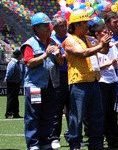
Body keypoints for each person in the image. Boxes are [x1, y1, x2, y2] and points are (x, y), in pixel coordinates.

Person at [63, 9, 112, 150]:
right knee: (77, 117)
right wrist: (101, 44)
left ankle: (96, 144)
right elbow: (82, 53)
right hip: (78, 84)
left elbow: (104, 51)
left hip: (93, 81)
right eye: (84, 23)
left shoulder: (90, 39)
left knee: (96, 116)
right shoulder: (70, 40)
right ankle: (75, 144)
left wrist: (106, 42)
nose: (87, 25)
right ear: (76, 25)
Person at [21, 12, 63, 150]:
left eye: (48, 25)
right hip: (35, 86)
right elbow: (29, 62)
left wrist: (58, 56)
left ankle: (45, 141)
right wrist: (45, 55)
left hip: (51, 85)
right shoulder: (30, 44)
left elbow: (61, 63)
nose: (48, 28)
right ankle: (33, 143)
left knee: (48, 114)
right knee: (33, 115)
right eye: (44, 26)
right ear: (36, 28)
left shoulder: (53, 42)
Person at [89, 22, 118, 149]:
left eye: (108, 32)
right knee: (101, 113)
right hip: (101, 82)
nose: (107, 34)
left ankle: (114, 139)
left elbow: (116, 64)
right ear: (97, 35)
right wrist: (107, 64)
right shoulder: (93, 48)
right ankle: (99, 140)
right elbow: (94, 67)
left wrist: (113, 64)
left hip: (112, 81)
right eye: (104, 32)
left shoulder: (113, 47)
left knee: (112, 113)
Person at [50, 15, 70, 149]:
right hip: (57, 76)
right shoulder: (51, 40)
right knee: (57, 108)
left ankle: (72, 135)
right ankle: (54, 137)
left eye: (65, 25)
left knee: (72, 108)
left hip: (72, 75)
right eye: (61, 26)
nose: (64, 28)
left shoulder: (70, 38)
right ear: (55, 27)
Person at [5, 49, 23, 119]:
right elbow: (9, 72)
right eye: (21, 54)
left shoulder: (17, 62)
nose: (22, 56)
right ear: (18, 55)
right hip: (12, 82)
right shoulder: (13, 63)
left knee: (15, 98)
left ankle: (16, 113)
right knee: (11, 98)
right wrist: (6, 78)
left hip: (16, 82)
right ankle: (8, 114)